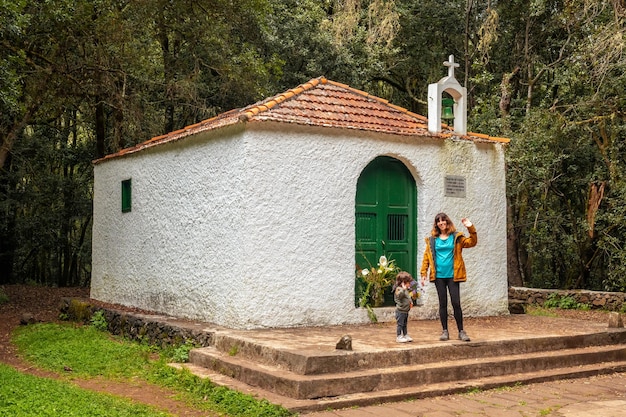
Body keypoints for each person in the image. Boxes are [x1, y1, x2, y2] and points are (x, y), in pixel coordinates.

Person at [420, 213, 477, 342]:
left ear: (447, 222)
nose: (441, 223)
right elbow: (426, 258)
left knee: (456, 303)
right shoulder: (432, 240)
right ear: (436, 224)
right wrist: (423, 273)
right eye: (438, 221)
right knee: (443, 303)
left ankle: (461, 331)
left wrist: (470, 227)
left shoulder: (456, 237)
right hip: (438, 276)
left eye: (443, 220)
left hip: (453, 275)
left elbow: (472, 242)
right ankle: (445, 330)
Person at [394, 271, 414, 343]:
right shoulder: (399, 290)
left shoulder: (406, 290)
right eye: (408, 282)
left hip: (405, 311)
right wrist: (403, 289)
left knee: (405, 324)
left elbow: (408, 297)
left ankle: (405, 334)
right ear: (403, 283)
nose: (410, 284)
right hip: (400, 311)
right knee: (400, 324)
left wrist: (411, 302)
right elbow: (399, 296)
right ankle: (399, 336)